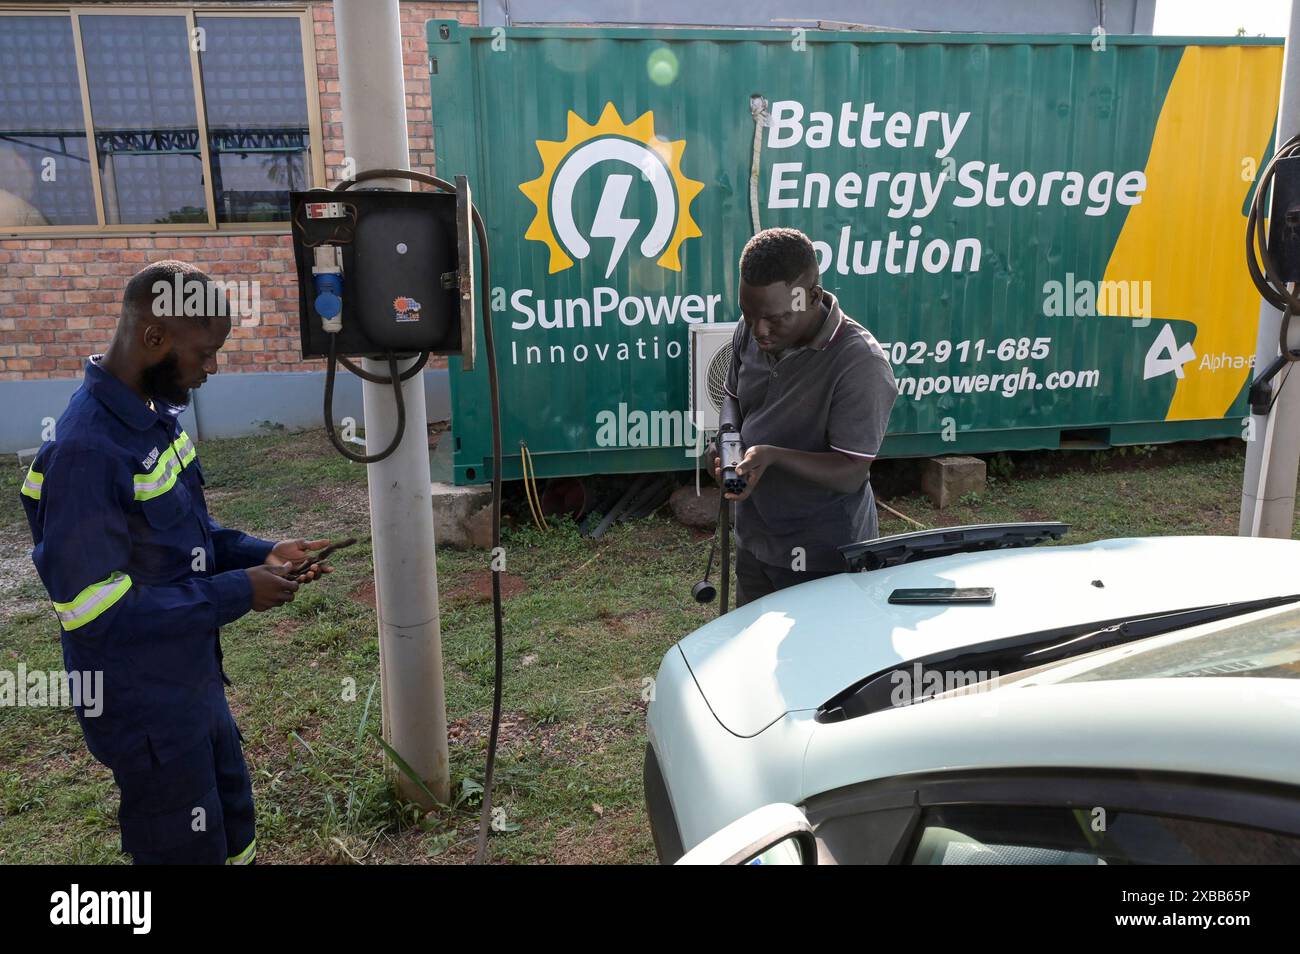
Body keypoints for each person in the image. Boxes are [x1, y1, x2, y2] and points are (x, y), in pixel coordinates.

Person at [20, 260, 331, 864]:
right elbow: (97, 613)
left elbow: (189, 537)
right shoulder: (86, 452)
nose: (212, 369)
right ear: (154, 338)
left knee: (231, 826)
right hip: (142, 705)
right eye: (205, 353)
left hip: (191, 680)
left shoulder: (153, 420)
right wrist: (238, 592)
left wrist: (260, 553)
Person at [714, 227, 897, 606]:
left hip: (825, 554)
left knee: (817, 662)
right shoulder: (753, 328)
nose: (759, 330)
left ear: (810, 296)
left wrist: (773, 455)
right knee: (752, 656)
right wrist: (730, 442)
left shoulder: (859, 363)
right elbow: (732, 395)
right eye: (748, 314)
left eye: (774, 318)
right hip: (756, 539)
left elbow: (850, 472)